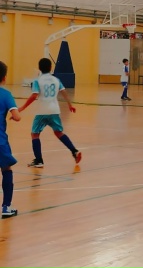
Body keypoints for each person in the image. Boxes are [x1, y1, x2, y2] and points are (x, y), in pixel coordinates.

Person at [18, 58, 82, 168]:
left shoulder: (37, 81)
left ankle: (39, 160)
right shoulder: (56, 80)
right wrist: (70, 105)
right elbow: (64, 92)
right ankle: (74, 151)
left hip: (42, 111)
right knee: (59, 133)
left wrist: (22, 107)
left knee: (35, 134)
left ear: (39, 68)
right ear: (50, 67)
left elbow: (34, 95)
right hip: (54, 110)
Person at [0, 61, 21, 217]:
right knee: (6, 169)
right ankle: (6, 207)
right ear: (4, 78)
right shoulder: (6, 95)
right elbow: (17, 116)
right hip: (0, 141)